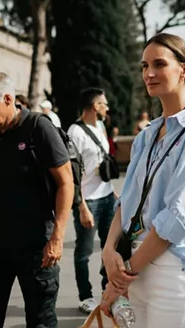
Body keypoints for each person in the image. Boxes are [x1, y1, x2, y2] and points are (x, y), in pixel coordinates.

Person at [100, 33, 185, 327]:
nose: (148, 73)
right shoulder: (147, 136)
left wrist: (121, 276)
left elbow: (178, 219)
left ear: (184, 70)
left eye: (159, 64)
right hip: (135, 268)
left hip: (174, 273)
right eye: (144, 65)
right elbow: (128, 200)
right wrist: (109, 249)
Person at [0, 71, 73, 328]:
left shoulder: (38, 128)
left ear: (7, 99)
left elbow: (66, 182)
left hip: (37, 245)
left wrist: (57, 237)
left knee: (41, 321)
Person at [67, 87, 117, 313]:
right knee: (84, 251)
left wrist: (112, 191)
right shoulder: (75, 132)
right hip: (88, 201)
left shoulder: (101, 126)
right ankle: (85, 296)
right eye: (104, 103)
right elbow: (71, 174)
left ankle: (109, 291)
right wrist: (81, 206)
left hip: (106, 197)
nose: (107, 107)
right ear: (95, 106)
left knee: (111, 247)